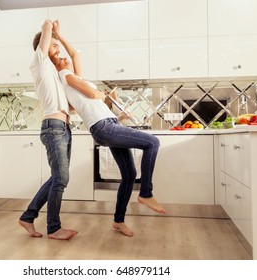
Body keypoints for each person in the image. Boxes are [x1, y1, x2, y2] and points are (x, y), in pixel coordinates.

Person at [53, 22, 166, 237]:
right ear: (55, 66)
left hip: (109, 123)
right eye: (59, 58)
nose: (65, 57)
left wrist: (59, 34)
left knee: (130, 174)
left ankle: (118, 221)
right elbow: (95, 96)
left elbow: (75, 54)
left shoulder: (73, 76)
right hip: (103, 127)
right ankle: (146, 193)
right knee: (153, 142)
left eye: (63, 55)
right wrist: (103, 96)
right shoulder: (65, 77)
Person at [18, 19, 77, 240]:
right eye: (54, 46)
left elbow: (70, 106)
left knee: (57, 178)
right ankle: (54, 228)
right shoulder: (39, 63)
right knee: (61, 179)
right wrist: (53, 31)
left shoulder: (54, 74)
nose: (58, 49)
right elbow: (45, 26)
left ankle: (28, 217)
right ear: (42, 47)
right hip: (53, 128)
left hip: (63, 127)